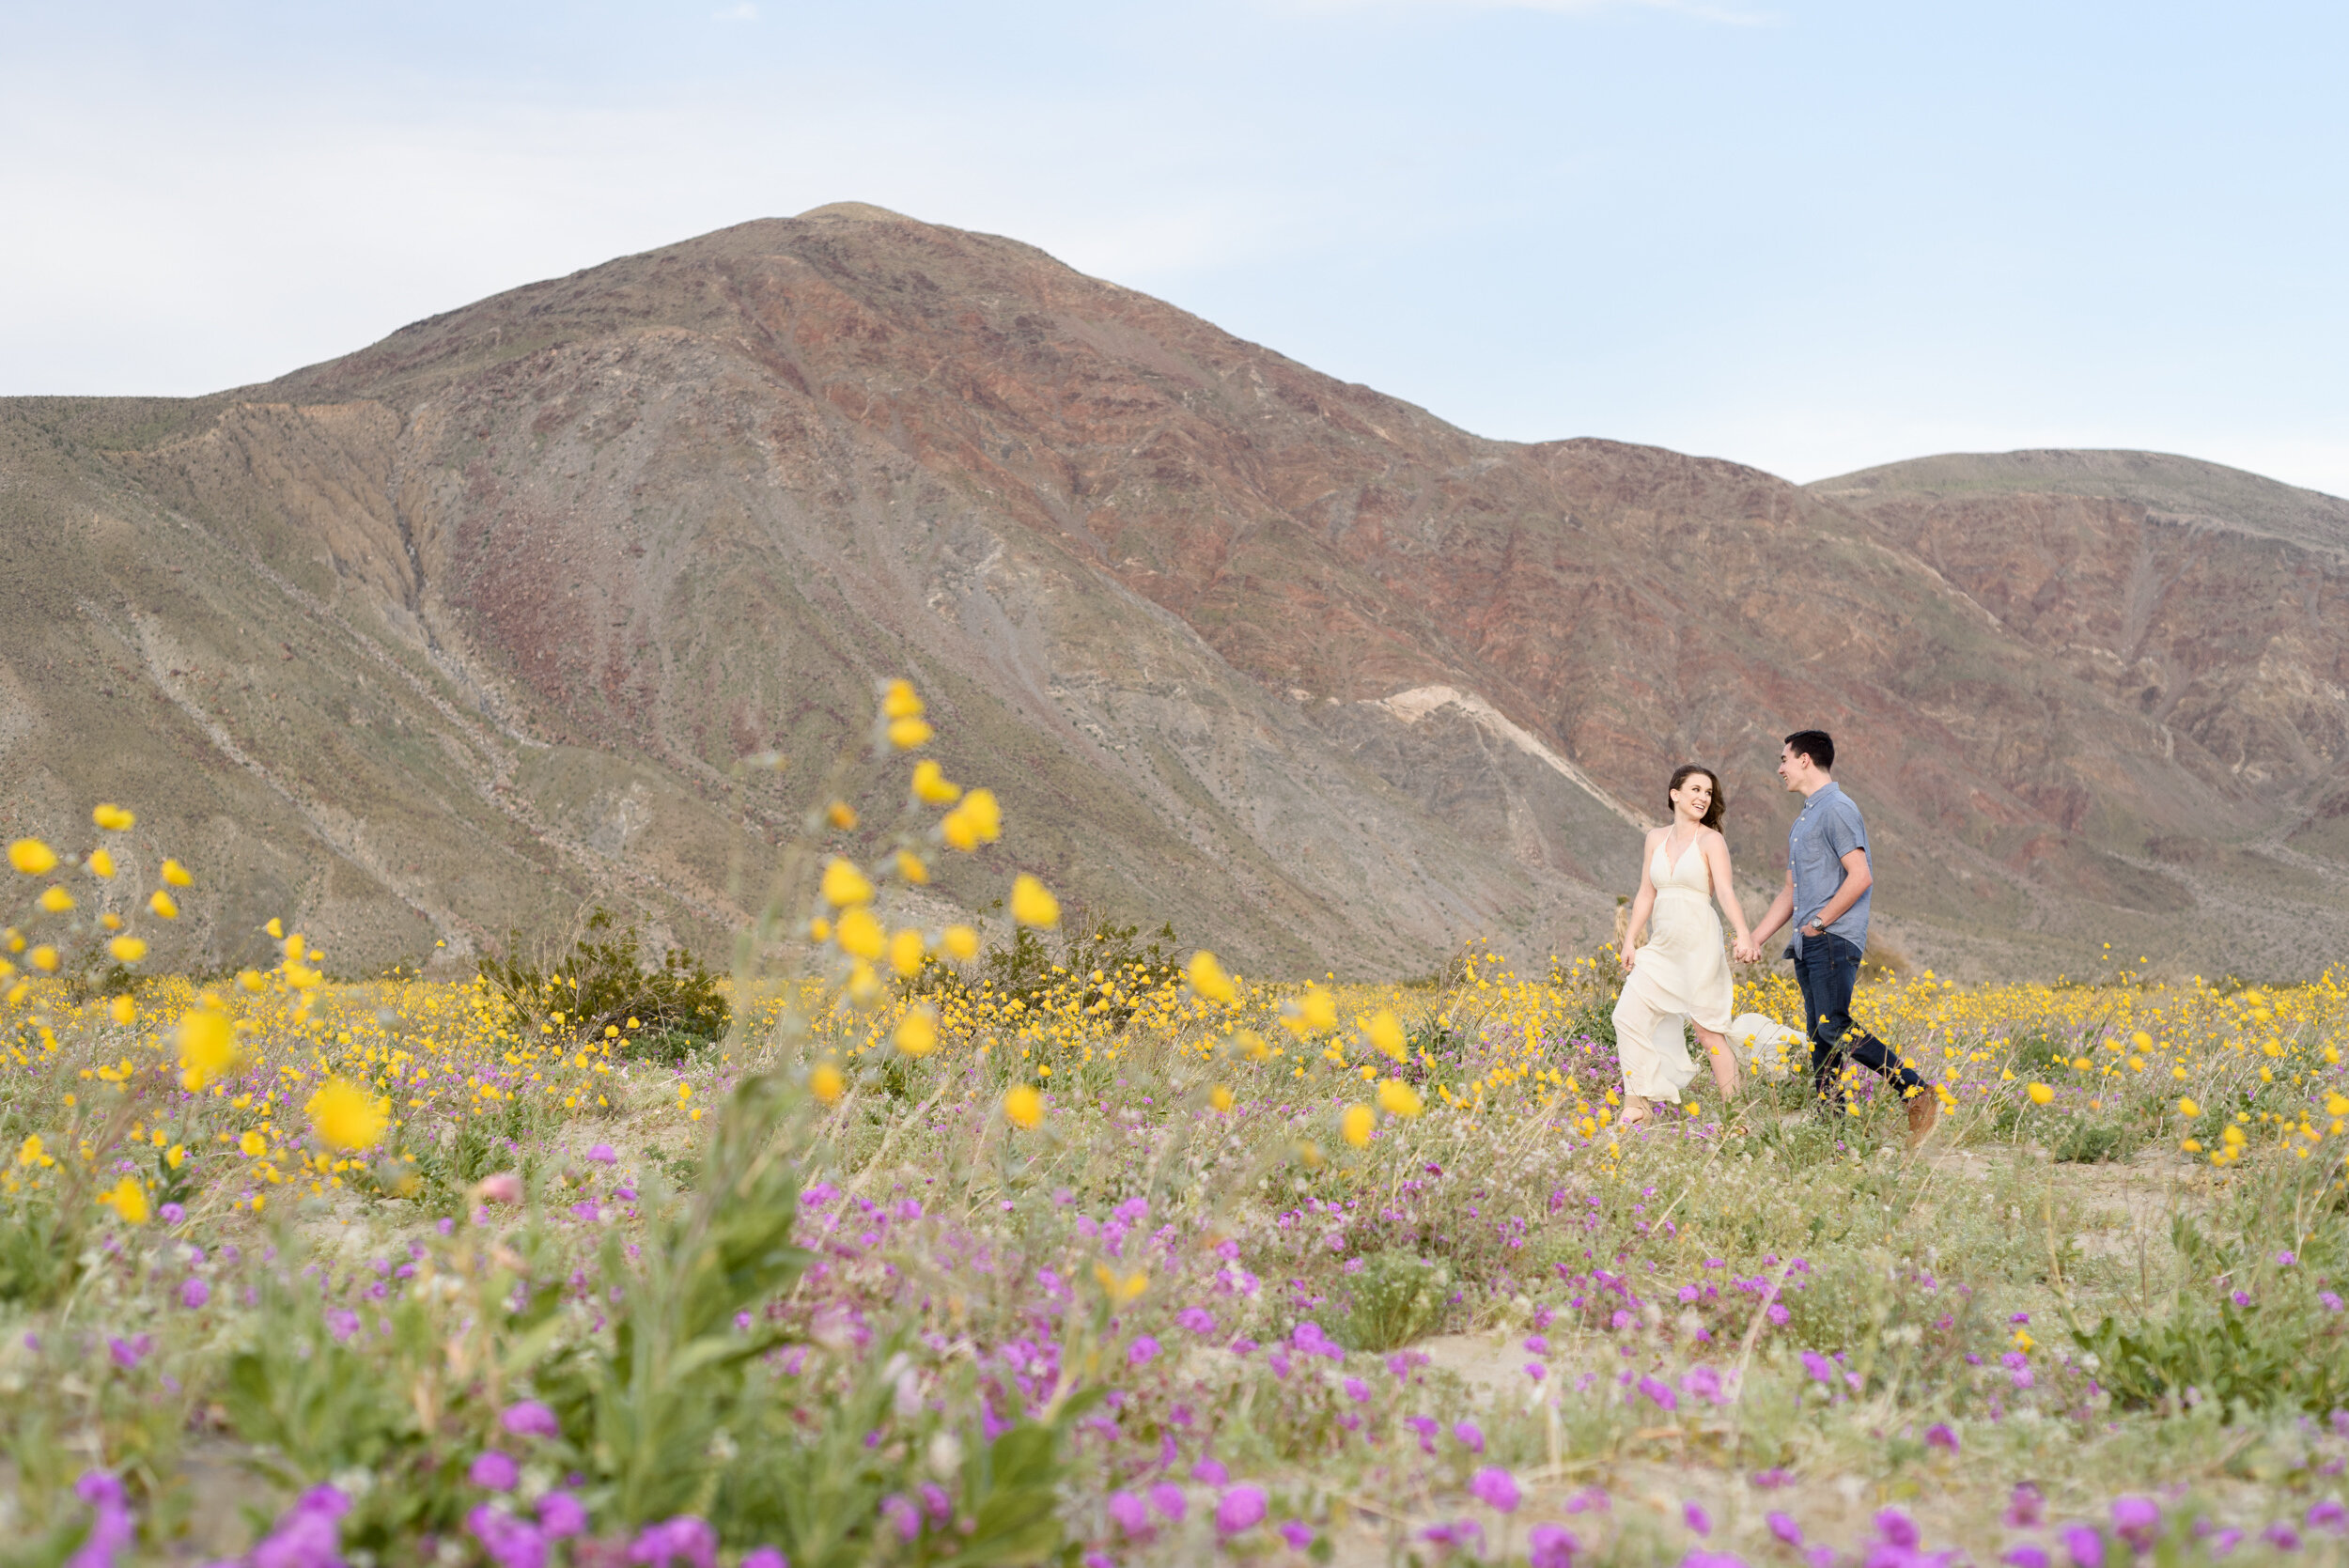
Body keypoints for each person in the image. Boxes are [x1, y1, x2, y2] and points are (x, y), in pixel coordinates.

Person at [1740, 730, 1941, 1148]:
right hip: (1807, 941)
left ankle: (1915, 1090)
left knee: (1835, 1026)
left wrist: (1820, 921)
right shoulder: (1802, 821)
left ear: (1806, 760)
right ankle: (1829, 1124)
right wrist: (1756, 938)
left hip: (1831, 937)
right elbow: (1790, 893)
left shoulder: (1838, 809)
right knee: (1820, 1033)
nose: (1779, 768)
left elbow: (1861, 875)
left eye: (1784, 759)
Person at [1611, 765, 1754, 1128]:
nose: (1703, 798)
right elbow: (1646, 892)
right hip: (1661, 946)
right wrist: (1630, 940)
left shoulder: (1710, 841)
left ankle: (1736, 1117)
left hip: (1698, 944)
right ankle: (1637, 1103)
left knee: (1708, 1031)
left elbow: (1724, 891)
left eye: (1708, 792)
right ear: (1674, 793)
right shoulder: (1655, 838)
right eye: (1695, 789)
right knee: (1626, 1016)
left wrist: (1743, 933)